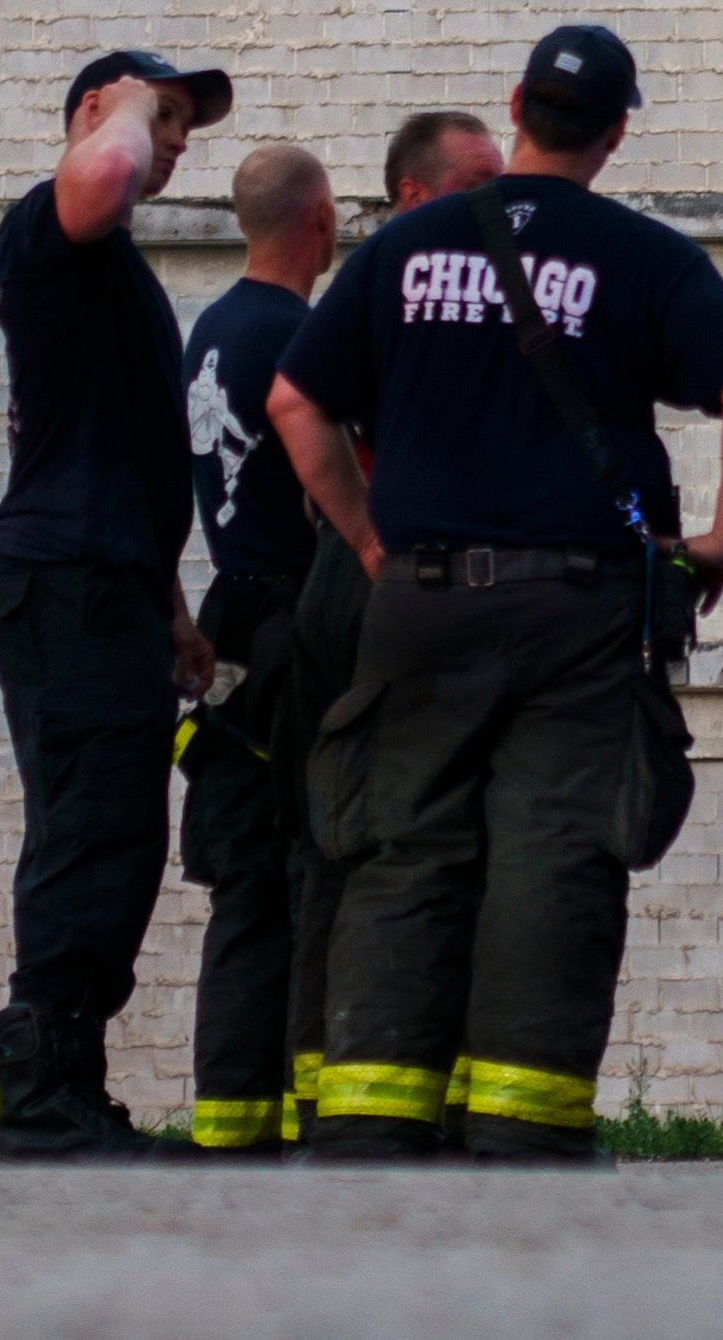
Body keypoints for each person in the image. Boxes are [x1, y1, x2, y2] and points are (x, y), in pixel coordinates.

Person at [264, 25, 723, 1163]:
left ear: (514, 106)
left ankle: (369, 1118)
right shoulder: (641, 254)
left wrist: (367, 541)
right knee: (553, 853)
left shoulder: (405, 248)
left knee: (402, 847)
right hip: (577, 608)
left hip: (421, 600)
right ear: (616, 129)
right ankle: (522, 1128)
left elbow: (294, 400)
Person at [0, 46, 232, 1157]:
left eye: (181, 126)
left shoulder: (108, 266)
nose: (171, 142)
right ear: (96, 109)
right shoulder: (50, 226)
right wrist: (123, 110)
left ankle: (70, 1090)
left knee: (117, 837)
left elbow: (121, 450)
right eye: (162, 115)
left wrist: (169, 604)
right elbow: (99, 175)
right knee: (87, 833)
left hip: (109, 583)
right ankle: (41, 1103)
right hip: (66, 585)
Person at [265, 109, 511, 1143]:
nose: (499, 203)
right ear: (411, 193)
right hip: (381, 578)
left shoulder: (402, 282)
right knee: (373, 830)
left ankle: (367, 1093)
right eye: (476, 182)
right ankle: (354, 1096)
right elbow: (297, 403)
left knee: (393, 831)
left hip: (381, 575)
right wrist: (366, 534)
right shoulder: (408, 280)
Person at [173, 141, 345, 1157]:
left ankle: (230, 1125)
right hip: (296, 624)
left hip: (227, 622)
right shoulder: (300, 335)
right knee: (312, 869)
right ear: (320, 220)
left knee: (243, 879)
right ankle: (316, 1113)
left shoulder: (210, 329)